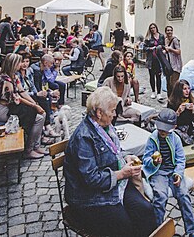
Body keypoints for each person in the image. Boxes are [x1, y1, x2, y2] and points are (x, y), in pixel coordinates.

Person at [63, 87, 157, 236]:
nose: (115, 114)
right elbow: (91, 179)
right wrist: (121, 174)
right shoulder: (83, 138)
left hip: (112, 185)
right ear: (99, 113)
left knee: (146, 210)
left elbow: (115, 151)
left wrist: (126, 157)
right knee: (124, 225)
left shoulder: (105, 127)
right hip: (88, 196)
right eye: (112, 111)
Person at [143, 108, 194, 236]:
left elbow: (181, 159)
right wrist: (153, 162)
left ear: (174, 127)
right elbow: (145, 158)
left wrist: (178, 173)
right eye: (160, 128)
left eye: (166, 128)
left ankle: (191, 230)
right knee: (160, 197)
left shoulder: (176, 139)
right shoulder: (152, 138)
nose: (162, 131)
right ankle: (158, 230)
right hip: (158, 172)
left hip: (173, 171)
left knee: (184, 195)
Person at [0, 53, 48, 159]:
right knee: (38, 117)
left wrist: (35, 104)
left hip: (12, 105)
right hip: (1, 108)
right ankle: (29, 149)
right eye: (19, 62)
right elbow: (16, 98)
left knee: (41, 114)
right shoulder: (5, 80)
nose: (21, 64)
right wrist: (34, 106)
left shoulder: (14, 76)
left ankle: (36, 146)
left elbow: (22, 91)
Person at [17, 52, 56, 145]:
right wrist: (36, 94)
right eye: (23, 61)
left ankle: (46, 127)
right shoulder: (17, 75)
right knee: (41, 102)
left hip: (31, 94)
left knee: (45, 98)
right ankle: (45, 129)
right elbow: (21, 92)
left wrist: (37, 93)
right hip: (24, 97)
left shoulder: (29, 71)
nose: (25, 64)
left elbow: (32, 85)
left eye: (27, 61)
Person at [143, 23, 166, 101]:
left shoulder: (161, 36)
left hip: (159, 59)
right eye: (151, 28)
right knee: (152, 76)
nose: (153, 29)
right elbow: (144, 48)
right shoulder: (148, 38)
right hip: (151, 59)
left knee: (159, 76)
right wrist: (151, 48)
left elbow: (164, 45)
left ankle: (159, 93)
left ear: (156, 28)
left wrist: (162, 49)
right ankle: (153, 91)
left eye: (154, 27)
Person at [164, 26, 182, 98]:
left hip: (176, 65)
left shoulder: (175, 40)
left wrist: (170, 49)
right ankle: (169, 100)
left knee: (174, 84)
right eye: (168, 30)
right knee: (168, 84)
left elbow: (178, 51)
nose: (169, 32)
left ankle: (175, 100)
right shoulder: (165, 40)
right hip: (169, 65)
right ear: (165, 32)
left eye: (171, 30)